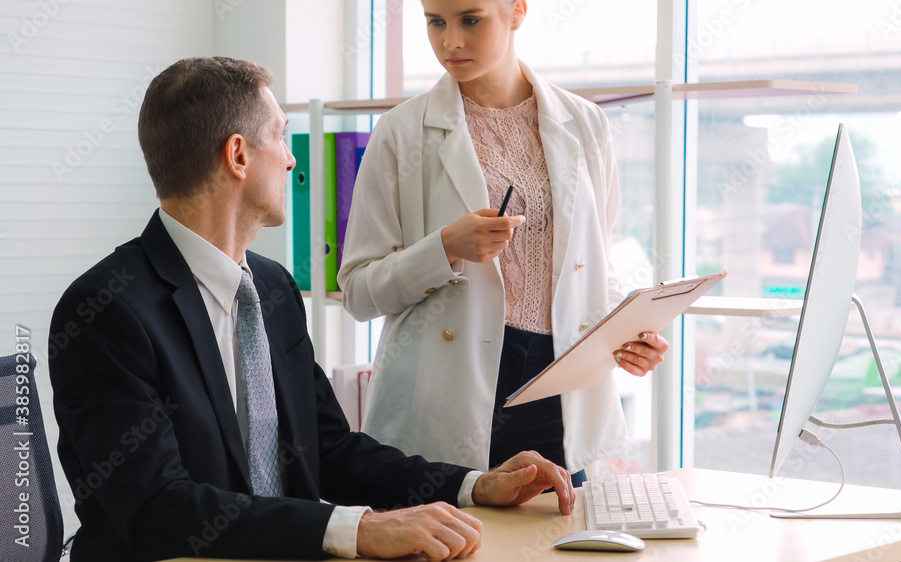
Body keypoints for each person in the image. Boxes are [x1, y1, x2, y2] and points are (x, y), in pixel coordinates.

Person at [48, 56, 574, 562]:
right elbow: (157, 509)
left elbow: (327, 449)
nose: (292, 157)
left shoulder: (272, 288)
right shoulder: (105, 310)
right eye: (280, 135)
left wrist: (473, 485)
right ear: (238, 155)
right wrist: (360, 528)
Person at [338, 0, 670, 485]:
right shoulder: (400, 133)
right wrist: (445, 247)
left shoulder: (585, 123)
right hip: (451, 387)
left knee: (556, 544)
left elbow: (596, 266)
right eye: (435, 22)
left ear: (517, 10)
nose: (450, 41)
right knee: (457, 546)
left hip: (560, 382)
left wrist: (627, 337)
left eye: (470, 20)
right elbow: (358, 293)